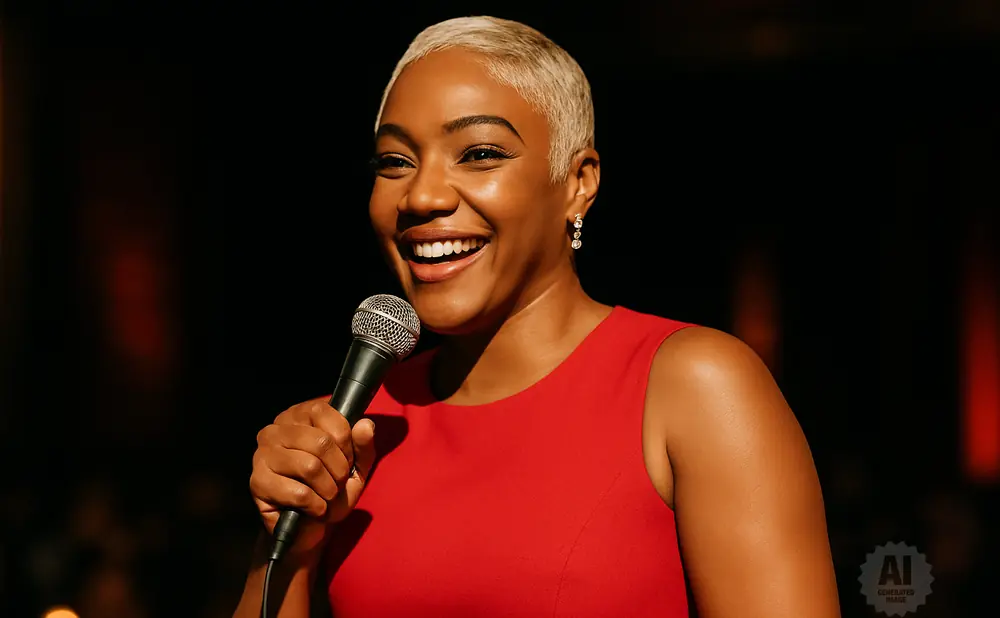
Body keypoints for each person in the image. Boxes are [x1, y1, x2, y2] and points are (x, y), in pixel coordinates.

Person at [233, 15, 841, 618]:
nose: (421, 196)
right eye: (394, 162)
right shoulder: (354, 432)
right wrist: (286, 544)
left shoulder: (692, 386)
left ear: (578, 183)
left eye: (479, 154)